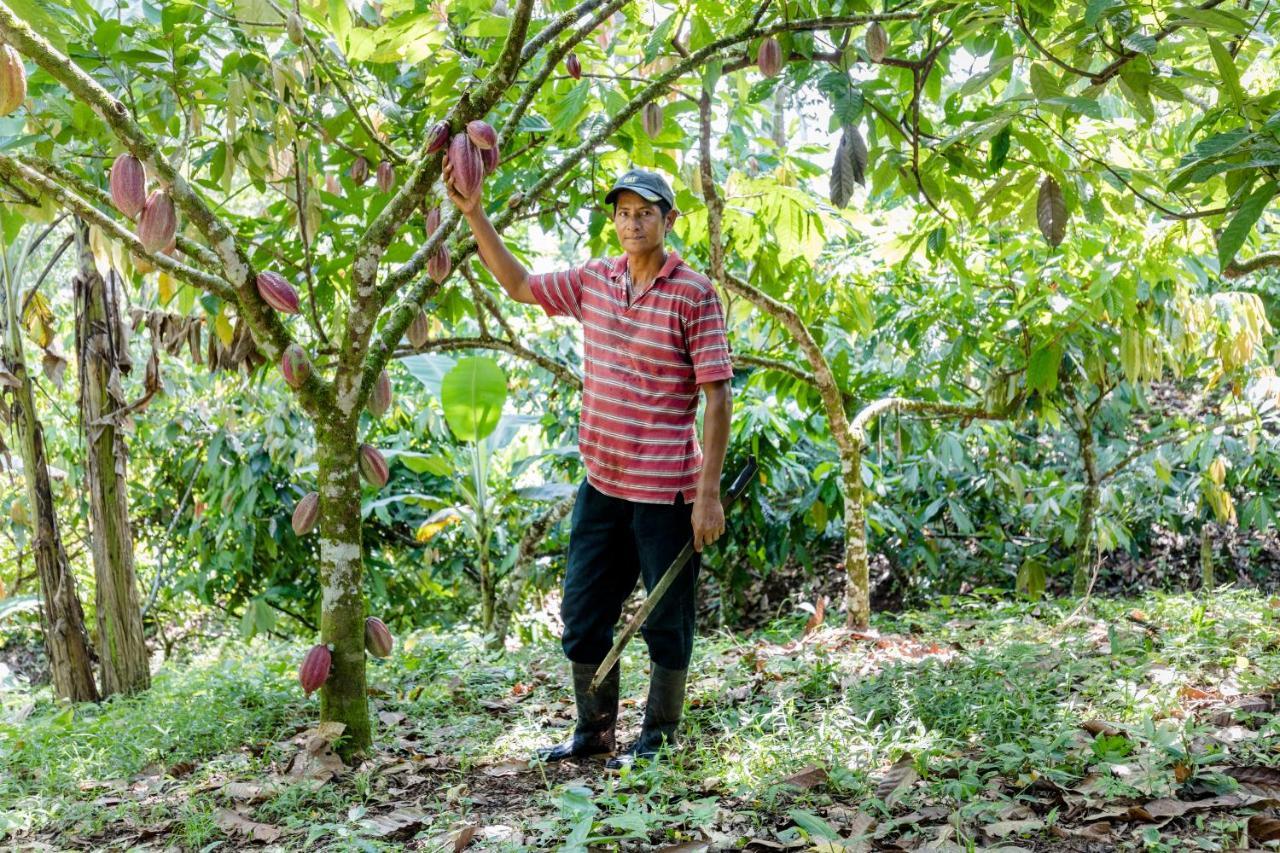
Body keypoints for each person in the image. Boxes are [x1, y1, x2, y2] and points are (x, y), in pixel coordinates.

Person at [443, 158, 733, 769]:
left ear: (668, 220)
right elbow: (520, 285)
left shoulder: (695, 293)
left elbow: (717, 393)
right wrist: (474, 212)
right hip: (602, 483)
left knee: (665, 620)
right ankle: (594, 733)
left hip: (667, 492)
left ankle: (658, 741)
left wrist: (708, 494)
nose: (633, 223)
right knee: (582, 614)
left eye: (645, 213)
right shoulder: (594, 280)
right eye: (624, 214)